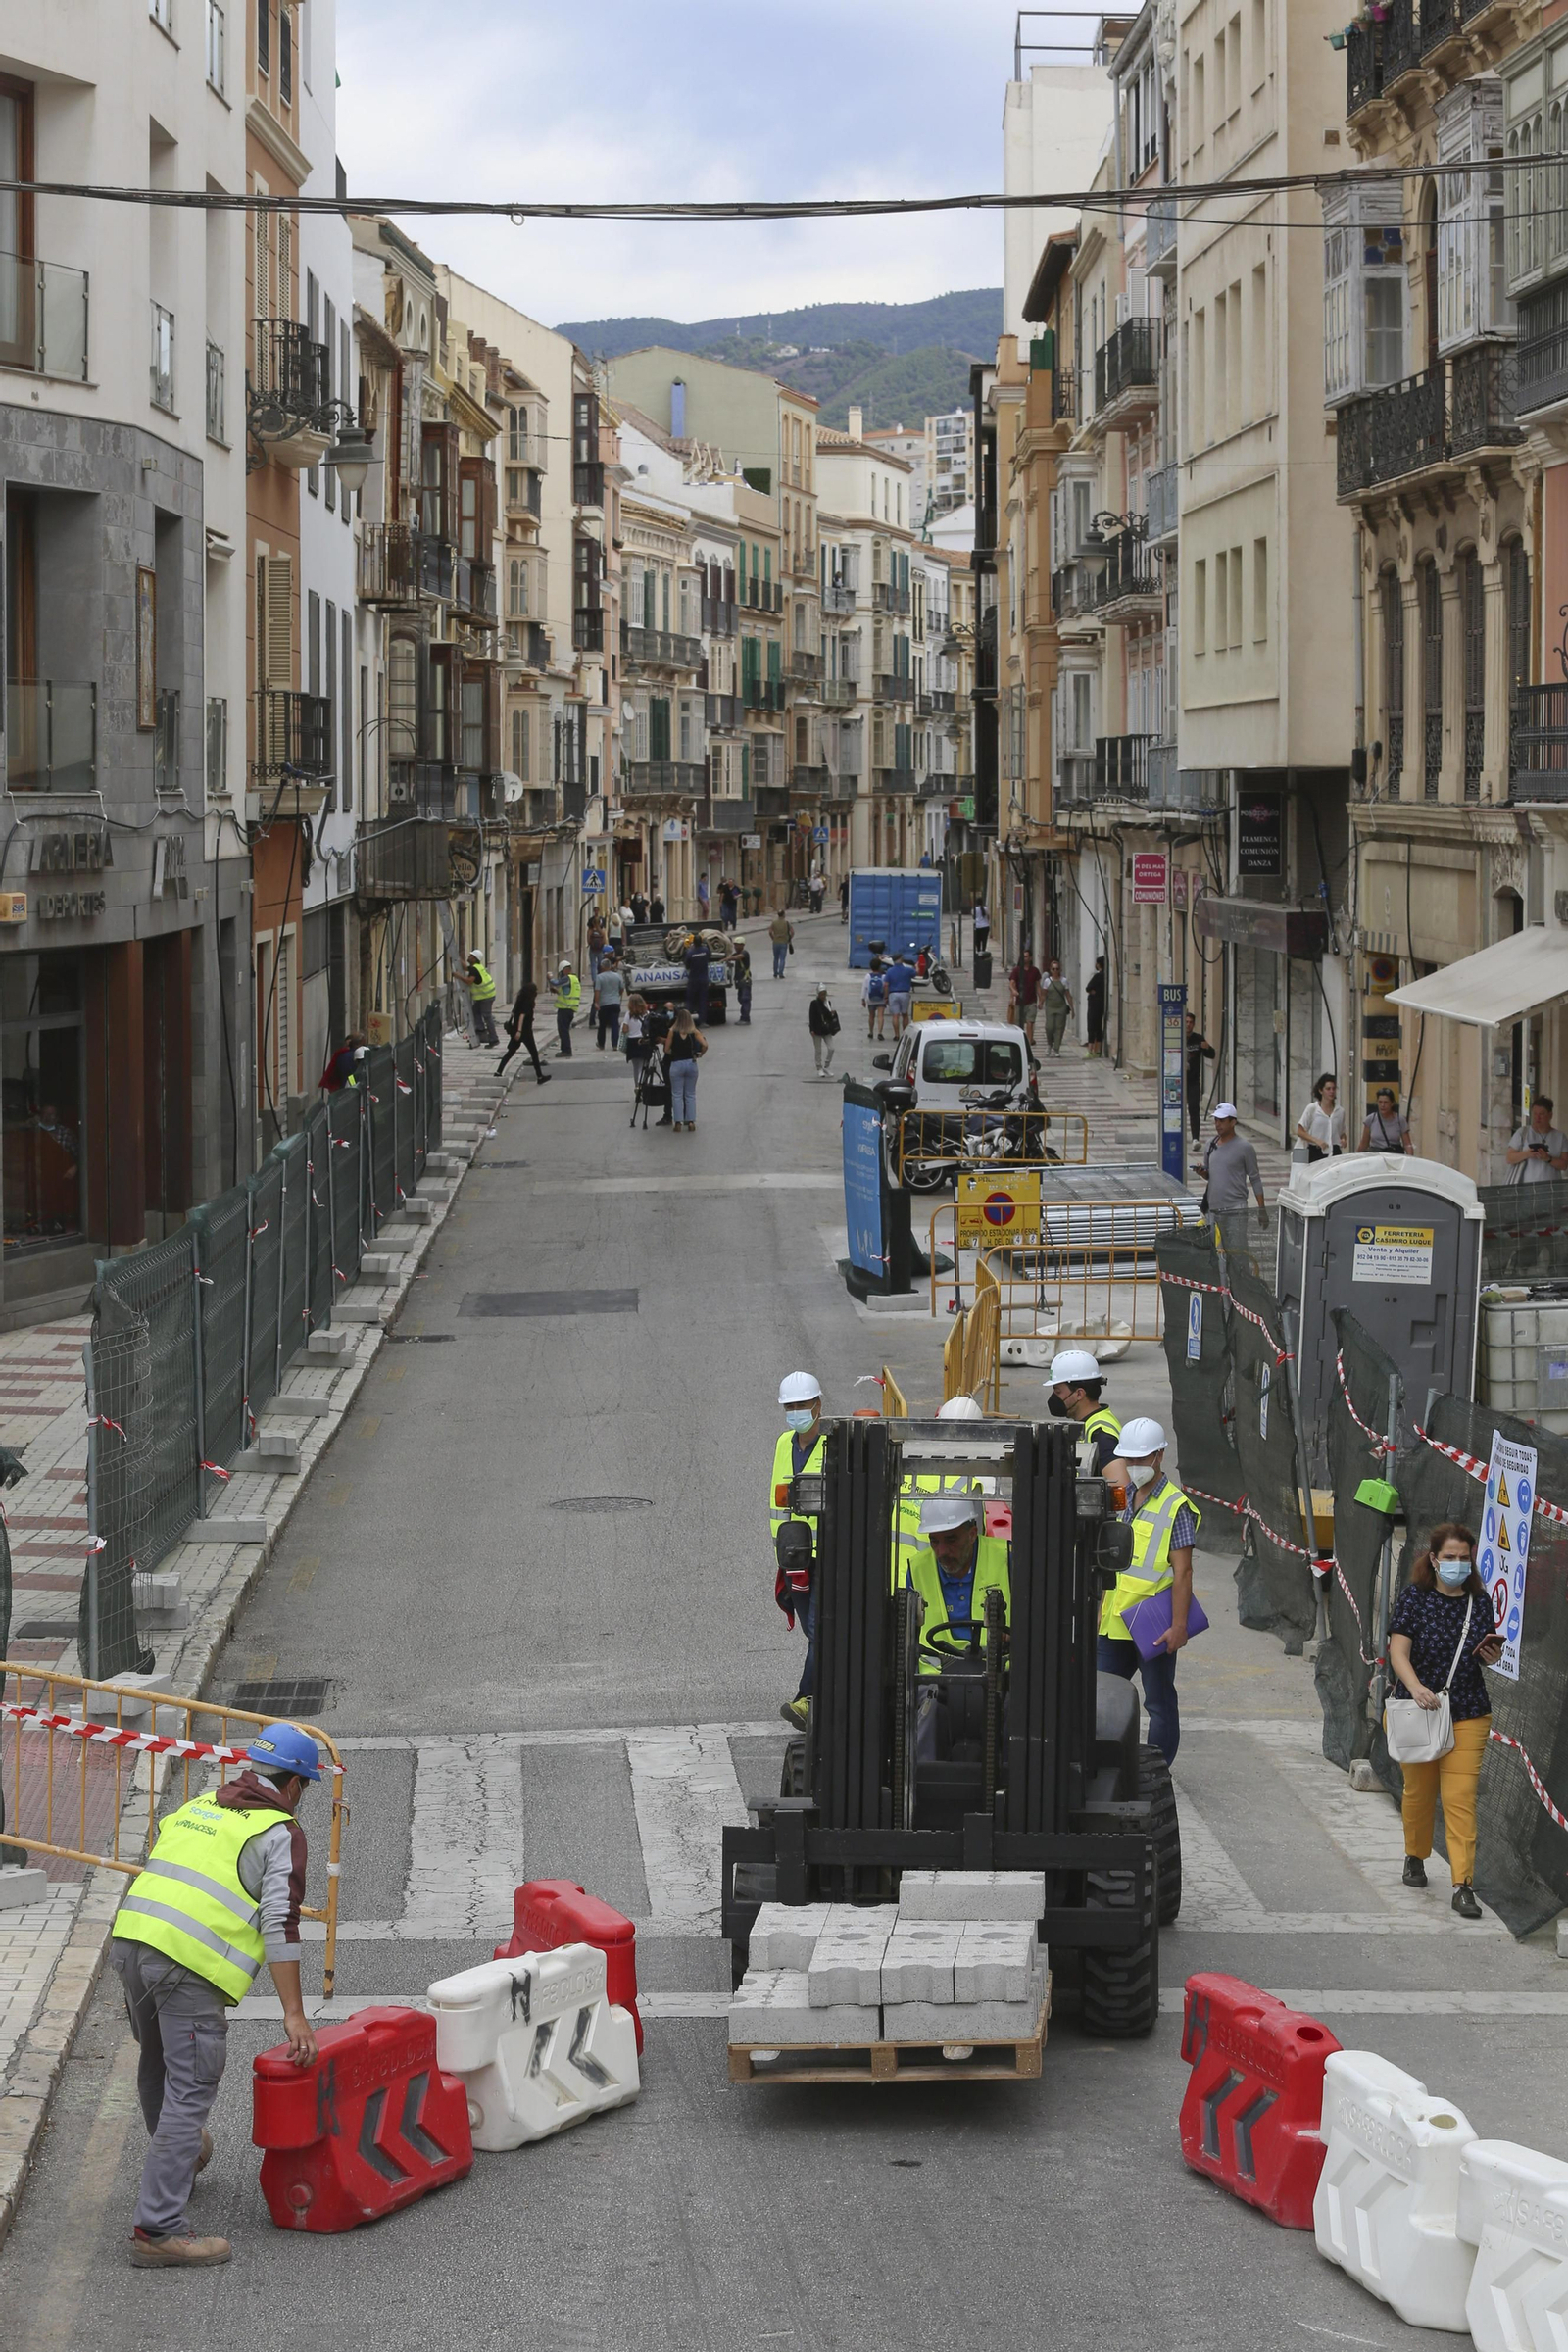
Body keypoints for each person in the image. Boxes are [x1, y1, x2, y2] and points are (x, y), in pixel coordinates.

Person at [109, 1722, 322, 2268]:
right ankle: (158, 2231)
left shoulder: (201, 1805)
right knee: (189, 2087)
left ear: (253, 1769)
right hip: (186, 1966)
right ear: (295, 1785)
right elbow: (279, 1921)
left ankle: (180, 2155)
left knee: (158, 2066)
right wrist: (294, 2015)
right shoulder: (279, 1831)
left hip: (133, 1944)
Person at [1387, 1523, 1503, 1920]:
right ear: (1433, 1559)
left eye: (1464, 1558)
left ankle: (1463, 1884)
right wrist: (1417, 1688)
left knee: (1459, 1799)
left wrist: (1491, 1658)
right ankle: (1415, 1855)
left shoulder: (1480, 1603)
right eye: (1449, 1558)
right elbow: (1397, 1652)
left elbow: (1485, 1652)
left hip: (1468, 1710)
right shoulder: (1414, 1599)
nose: (1457, 1565)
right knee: (1418, 1793)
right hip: (1417, 1710)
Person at [1097, 1417, 1199, 1766]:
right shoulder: (1124, 1498)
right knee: (1098, 1695)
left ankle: (1157, 1769)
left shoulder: (1175, 1506)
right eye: (1130, 1459)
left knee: (1158, 1703)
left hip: (1153, 1624)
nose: (1135, 1466)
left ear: (1159, 1456)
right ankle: (1102, 1762)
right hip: (1115, 1621)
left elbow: (1183, 1572)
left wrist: (1180, 1626)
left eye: (1142, 1459)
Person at [904, 1494, 1011, 1759]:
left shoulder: (1007, 1558)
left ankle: (1019, 1786)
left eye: (950, 1540)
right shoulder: (917, 1568)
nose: (941, 1552)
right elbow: (903, 1631)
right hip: (936, 1678)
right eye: (934, 1541)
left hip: (1001, 1673)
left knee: (1021, 1714)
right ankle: (920, 1787)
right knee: (926, 1714)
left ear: (973, 1533)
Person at [771, 1372, 828, 1727]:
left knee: (820, 1627)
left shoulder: (833, 1445)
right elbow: (776, 1503)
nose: (796, 1412)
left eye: (802, 1405)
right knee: (813, 1632)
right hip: (794, 1559)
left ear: (818, 1406)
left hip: (827, 1556)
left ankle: (807, 1698)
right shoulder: (783, 1443)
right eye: (790, 1406)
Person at [1045, 1348, 1121, 1473]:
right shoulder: (1087, 1424)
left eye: (1058, 1391)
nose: (1054, 1397)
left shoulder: (1101, 1435)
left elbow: (1119, 1483)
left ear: (1079, 1394)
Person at [1203, 1102, 1266, 1229]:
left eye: (1222, 1120)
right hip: (1213, 1209)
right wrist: (1202, 1172)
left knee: (1236, 1248)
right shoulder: (1210, 1144)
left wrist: (1262, 1209)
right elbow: (1210, 1175)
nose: (1217, 1124)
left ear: (1233, 1122)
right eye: (1216, 1120)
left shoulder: (1245, 1148)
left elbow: (1255, 1178)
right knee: (1212, 1247)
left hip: (1236, 1210)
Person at [497, 979, 551, 1084]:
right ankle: (539, 1077)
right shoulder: (528, 1003)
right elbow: (522, 1016)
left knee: (510, 1052)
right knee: (534, 1054)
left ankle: (498, 1071)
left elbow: (514, 1014)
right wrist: (519, 1031)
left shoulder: (520, 1001)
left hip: (517, 1030)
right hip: (525, 1032)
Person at [1506, 1096, 1568, 1184]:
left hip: (1551, 1188)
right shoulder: (1522, 1133)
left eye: (1541, 1114)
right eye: (1535, 1114)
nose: (1537, 1118)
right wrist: (1527, 1154)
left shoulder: (1560, 1137)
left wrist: (1548, 1159)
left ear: (1550, 1115)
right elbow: (1509, 1158)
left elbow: (1564, 1165)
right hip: (1526, 1187)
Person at [664, 1005, 707, 1131]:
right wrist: (700, 1054)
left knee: (677, 1094)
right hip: (691, 1063)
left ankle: (678, 1122)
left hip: (677, 1064)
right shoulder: (693, 1031)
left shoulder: (672, 1031)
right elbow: (705, 1044)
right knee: (690, 1094)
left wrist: (674, 1053)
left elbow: (666, 1049)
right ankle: (691, 1121)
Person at [1296, 1072, 1346, 1162]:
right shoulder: (1312, 1109)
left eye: (1333, 1089)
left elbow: (1341, 1132)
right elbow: (1300, 1131)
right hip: (1316, 1151)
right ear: (1321, 1090)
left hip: (1334, 1151)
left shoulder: (1340, 1111)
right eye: (1328, 1089)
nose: (1331, 1091)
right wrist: (1316, 1140)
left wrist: (1343, 1140)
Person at [1185, 1012, 1216, 1143]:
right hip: (1178, 1082)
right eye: (1186, 1022)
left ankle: (1195, 1138)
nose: (1188, 1025)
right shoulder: (1175, 1038)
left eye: (1191, 1022)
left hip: (1193, 1081)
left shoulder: (1198, 1038)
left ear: (1194, 1024)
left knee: (1194, 1108)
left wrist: (1207, 1047)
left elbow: (1212, 1054)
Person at [1358, 1087, 1413, 1154]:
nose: (1382, 1105)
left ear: (1391, 1103)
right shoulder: (1370, 1119)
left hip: (1393, 1156)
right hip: (1376, 1157)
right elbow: (1364, 1144)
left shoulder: (1400, 1120)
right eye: (1380, 1102)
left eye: (1386, 1102)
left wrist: (1410, 1158)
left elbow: (1407, 1144)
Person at [1009, 947, 1042, 1055]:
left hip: (1031, 1001)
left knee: (1030, 1022)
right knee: (1018, 1024)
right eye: (1023, 957)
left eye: (1027, 956)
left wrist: (1040, 999)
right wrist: (1014, 991)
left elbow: (1037, 986)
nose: (1025, 958)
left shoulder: (1035, 971)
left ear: (1031, 958)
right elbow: (1012, 983)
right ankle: (1020, 1042)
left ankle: (1028, 1043)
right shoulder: (1017, 971)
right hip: (1019, 1002)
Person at [464, 952, 499, 1047]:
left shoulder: (475, 969)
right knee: (475, 1012)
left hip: (486, 996)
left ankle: (494, 1038)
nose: (469, 957)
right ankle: (481, 1033)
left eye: (471, 956)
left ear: (475, 959)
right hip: (486, 995)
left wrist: (457, 976)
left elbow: (469, 981)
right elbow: (465, 967)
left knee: (487, 1016)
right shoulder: (477, 967)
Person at [1039, 958, 1072, 1056]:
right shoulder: (1047, 981)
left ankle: (1057, 1048)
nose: (1055, 971)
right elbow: (1044, 994)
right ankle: (1049, 1044)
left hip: (1061, 1007)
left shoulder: (1064, 981)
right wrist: (1041, 1002)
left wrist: (1072, 1008)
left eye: (1057, 969)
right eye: (1053, 969)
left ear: (1060, 970)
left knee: (1059, 1028)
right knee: (1049, 1027)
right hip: (1050, 1007)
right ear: (1050, 970)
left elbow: (1068, 995)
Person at [594, 953, 625, 1053]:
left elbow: (597, 991)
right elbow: (622, 988)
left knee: (602, 1025)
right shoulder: (617, 976)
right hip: (615, 1002)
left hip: (604, 1004)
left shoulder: (599, 977)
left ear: (602, 967)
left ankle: (601, 1044)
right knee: (615, 1024)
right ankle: (615, 1044)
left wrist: (596, 1002)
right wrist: (617, 995)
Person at [551, 958, 581, 1057]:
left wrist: (549, 978)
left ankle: (566, 1050)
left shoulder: (567, 978)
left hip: (564, 1009)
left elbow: (556, 983)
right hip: (570, 1009)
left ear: (563, 970)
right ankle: (566, 1049)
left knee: (563, 1031)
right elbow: (567, 993)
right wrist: (557, 992)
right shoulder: (575, 979)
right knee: (565, 1030)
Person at [808, 983, 840, 1077]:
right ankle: (819, 1068)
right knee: (818, 1050)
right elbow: (811, 1016)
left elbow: (828, 1017)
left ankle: (827, 1066)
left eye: (824, 994)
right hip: (817, 1030)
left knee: (831, 1048)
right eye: (821, 994)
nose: (823, 996)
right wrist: (812, 1029)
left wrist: (832, 1014)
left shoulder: (827, 1003)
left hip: (826, 1030)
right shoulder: (814, 1003)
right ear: (818, 994)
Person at [885, 950, 914, 1038]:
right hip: (905, 993)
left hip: (893, 994)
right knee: (905, 1014)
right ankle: (904, 1034)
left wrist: (886, 997)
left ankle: (896, 1034)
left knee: (895, 1015)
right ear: (901, 960)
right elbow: (916, 974)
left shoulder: (889, 971)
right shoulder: (908, 970)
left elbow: (886, 984)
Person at [683, 933, 711, 1020]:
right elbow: (709, 957)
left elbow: (687, 965)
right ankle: (702, 1021)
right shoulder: (705, 950)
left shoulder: (690, 952)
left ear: (693, 942)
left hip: (693, 980)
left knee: (690, 1001)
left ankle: (688, 1021)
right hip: (703, 979)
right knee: (702, 1001)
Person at [1085, 954, 1107, 1056]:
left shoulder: (1098, 976)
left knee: (1091, 1027)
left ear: (1098, 965)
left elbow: (1088, 988)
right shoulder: (1106, 977)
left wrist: (1093, 991)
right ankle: (1097, 1050)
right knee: (1098, 1027)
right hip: (1102, 1004)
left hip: (1094, 1004)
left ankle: (1090, 1050)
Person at [862, 957, 889, 1040]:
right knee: (880, 1015)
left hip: (871, 999)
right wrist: (886, 997)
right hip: (881, 999)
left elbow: (864, 988)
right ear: (880, 966)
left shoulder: (868, 976)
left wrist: (863, 999)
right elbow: (886, 987)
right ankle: (880, 1032)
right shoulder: (883, 976)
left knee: (871, 1016)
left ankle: (871, 1032)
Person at [769, 907, 794, 979]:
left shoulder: (774, 923)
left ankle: (775, 973)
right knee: (782, 958)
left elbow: (770, 932)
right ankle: (781, 973)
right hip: (784, 942)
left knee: (776, 958)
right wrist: (789, 938)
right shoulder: (786, 923)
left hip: (776, 942)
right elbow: (792, 932)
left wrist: (773, 938)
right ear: (783, 915)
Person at [733, 941, 754, 1024]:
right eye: (735, 945)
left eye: (737, 945)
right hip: (740, 981)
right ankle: (744, 1017)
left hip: (745, 980)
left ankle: (745, 1018)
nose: (735, 947)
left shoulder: (744, 953)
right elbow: (733, 956)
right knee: (740, 998)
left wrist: (726, 959)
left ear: (742, 945)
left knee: (745, 999)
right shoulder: (736, 953)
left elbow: (736, 958)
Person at [585, 910, 608, 977]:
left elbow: (588, 940)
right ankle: (600, 977)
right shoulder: (602, 930)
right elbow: (604, 940)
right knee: (600, 964)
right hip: (600, 949)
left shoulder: (590, 930)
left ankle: (594, 979)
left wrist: (591, 944)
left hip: (592, 949)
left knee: (593, 964)